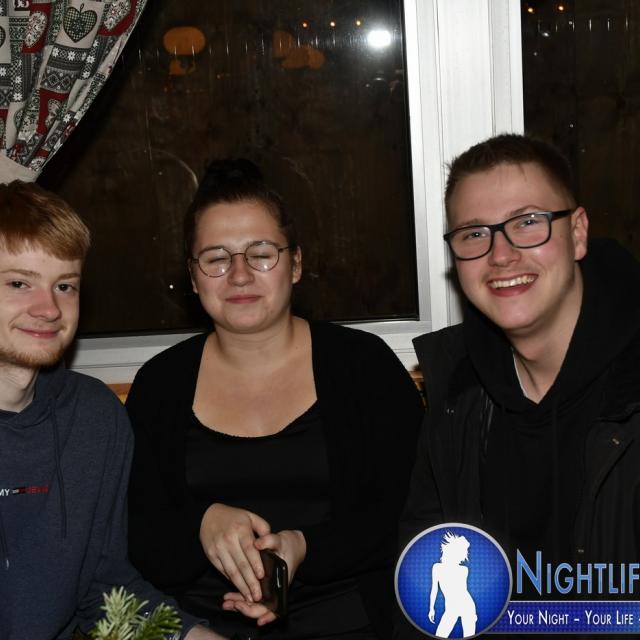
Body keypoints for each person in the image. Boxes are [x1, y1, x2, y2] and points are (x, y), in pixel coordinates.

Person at [126, 159, 424, 639]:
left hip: (352, 625)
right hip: (201, 631)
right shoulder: (159, 385)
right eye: (216, 258)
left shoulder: (363, 366)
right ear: (193, 277)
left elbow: (410, 511)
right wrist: (200, 525)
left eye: (261, 253)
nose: (239, 275)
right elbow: (136, 537)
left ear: (296, 264)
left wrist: (306, 546)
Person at [400, 133, 640, 622]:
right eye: (474, 234)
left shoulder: (629, 394)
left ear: (577, 233)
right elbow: (423, 587)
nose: (501, 255)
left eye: (528, 223)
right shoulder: (455, 394)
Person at [0, 180, 224, 640]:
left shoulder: (93, 417)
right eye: (19, 283)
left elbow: (104, 595)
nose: (49, 308)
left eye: (65, 286)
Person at [428, 532, 476, 638]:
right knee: (440, 635)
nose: (466, 554)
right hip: (451, 608)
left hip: (467, 606)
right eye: (464, 551)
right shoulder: (437, 567)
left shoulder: (464, 570)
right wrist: (431, 608)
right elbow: (434, 589)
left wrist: (472, 614)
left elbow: (463, 591)